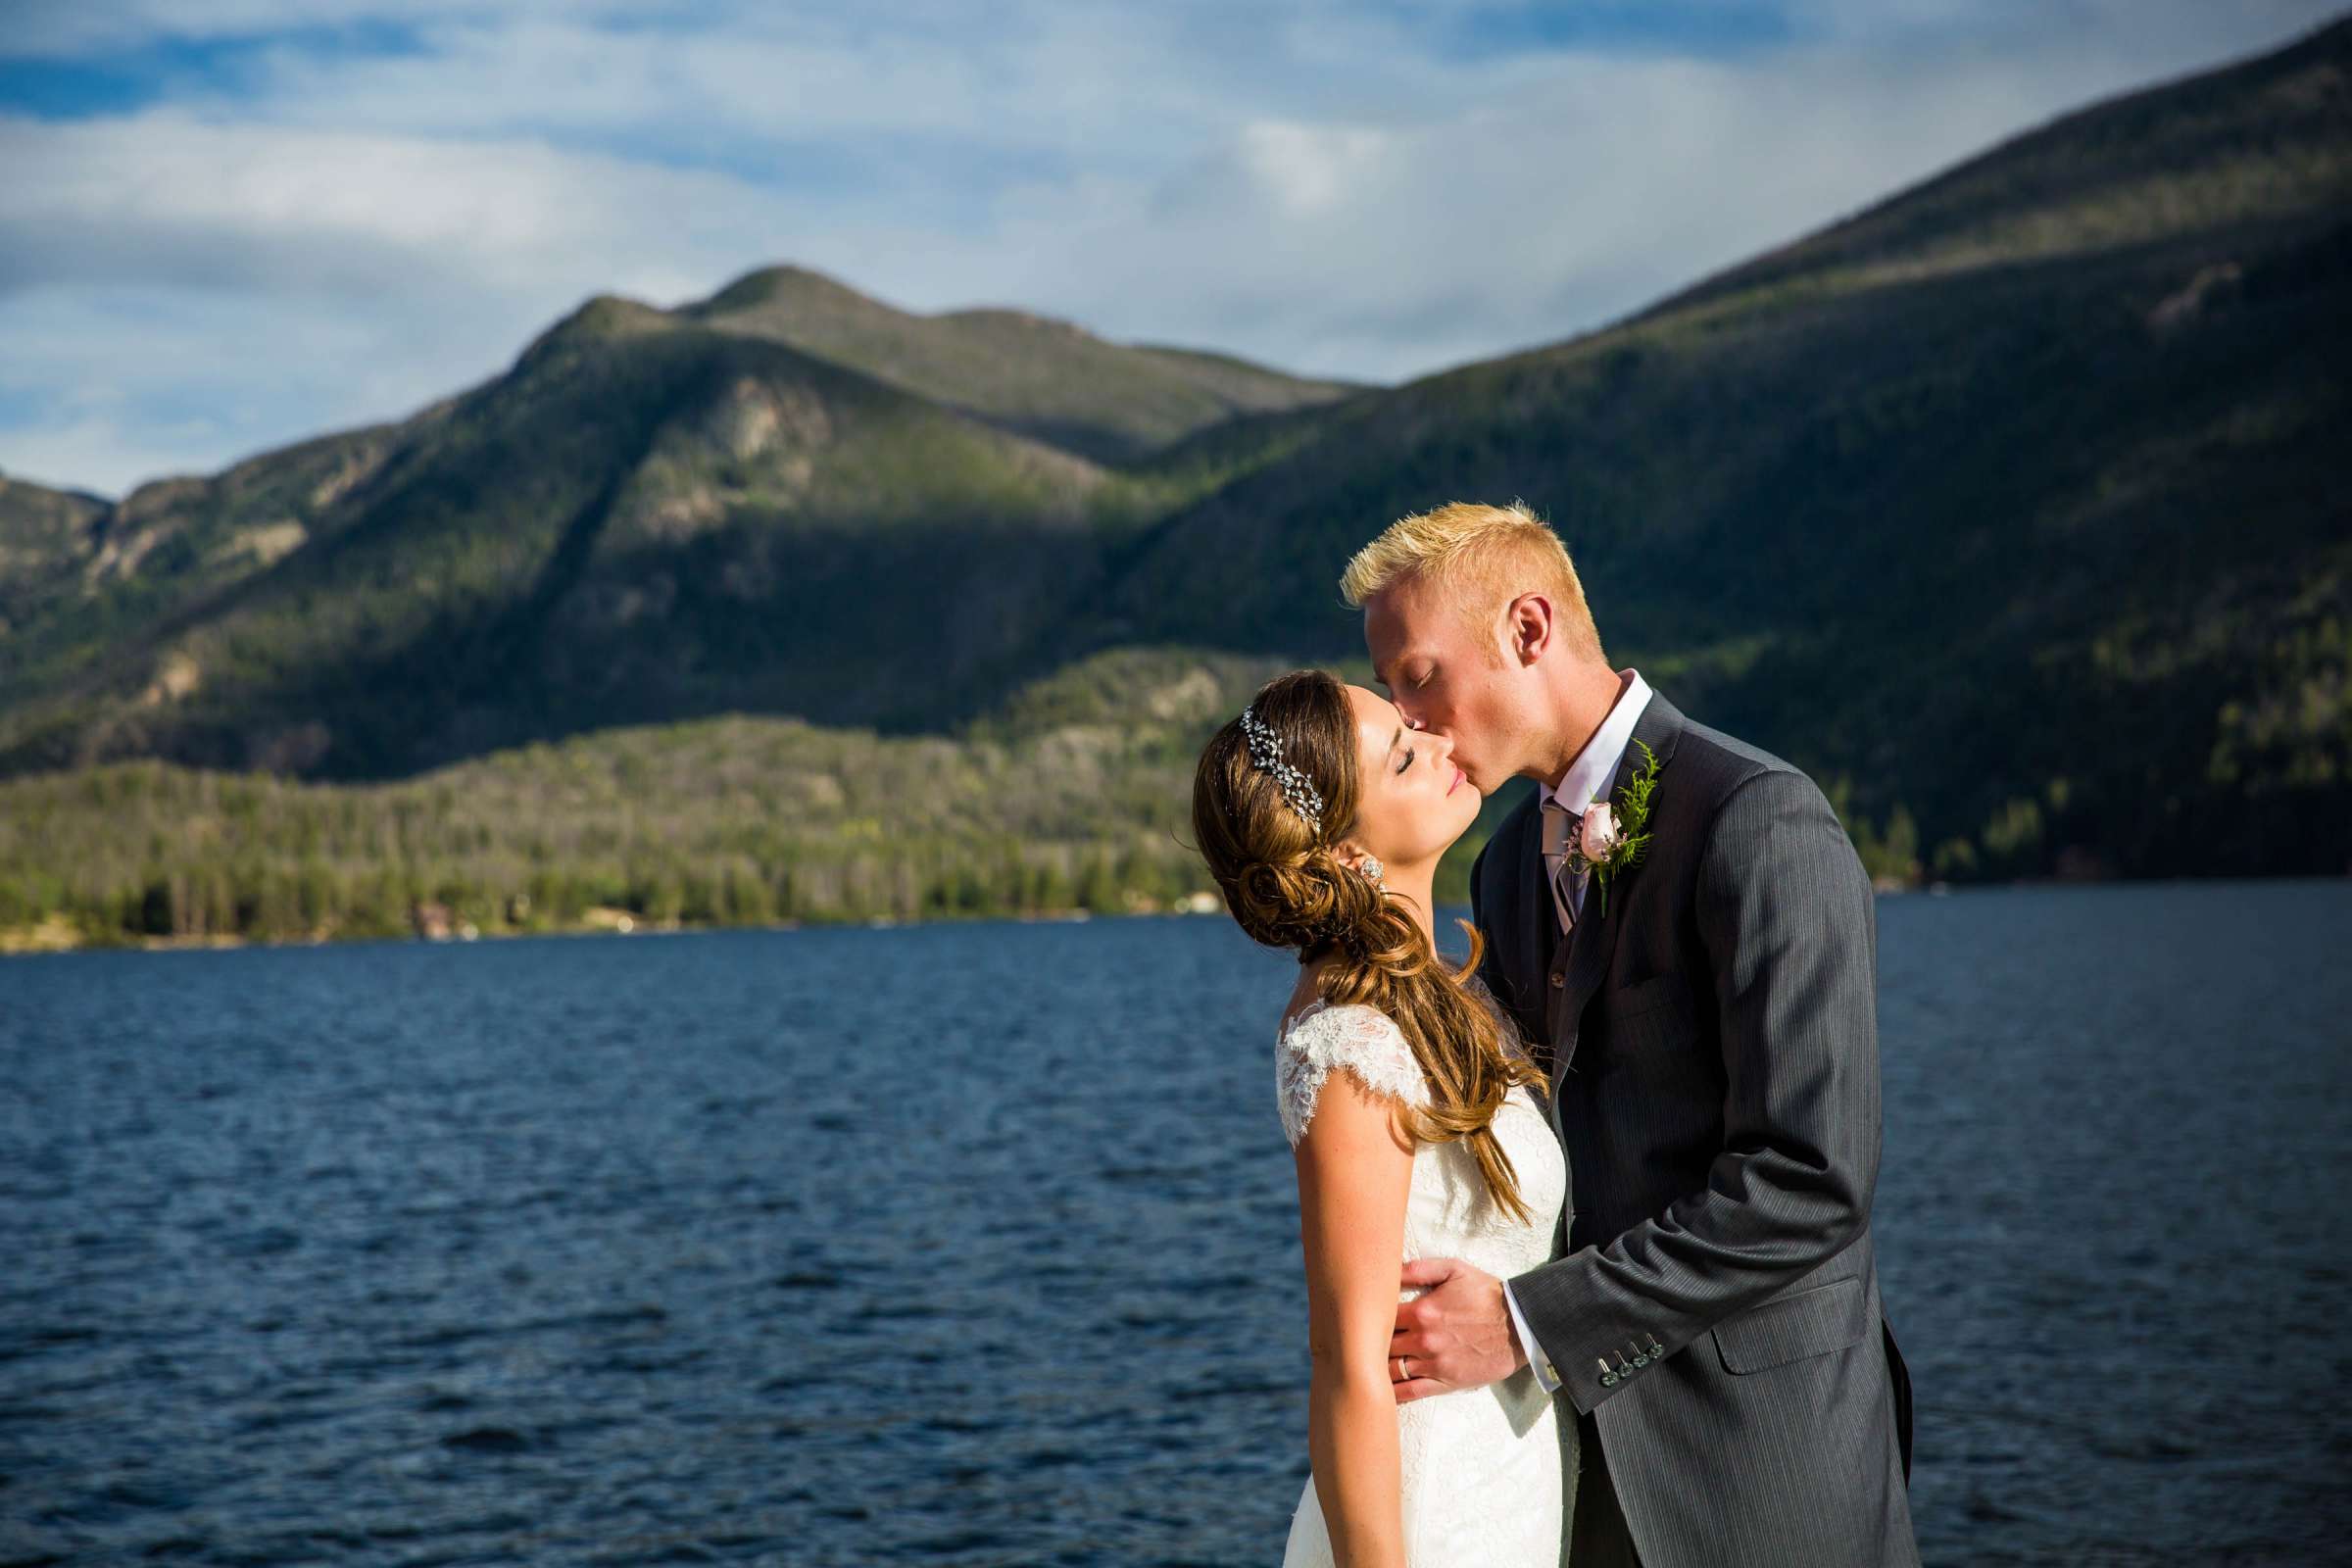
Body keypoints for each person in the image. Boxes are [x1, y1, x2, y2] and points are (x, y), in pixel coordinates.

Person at [1344, 501, 1918, 1568]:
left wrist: (1525, 1325)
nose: (1408, 720)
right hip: (1574, 1480)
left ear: (1528, 628)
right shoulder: (1508, 867)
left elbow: (1811, 1178)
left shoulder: (1759, 821)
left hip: (1765, 1469)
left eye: (1418, 675)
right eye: (1389, 692)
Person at [1192, 668, 1573, 1567]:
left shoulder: (1447, 994)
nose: (1441, 743)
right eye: (1406, 755)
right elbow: (1346, 1367)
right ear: (1345, 855)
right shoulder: (1352, 1044)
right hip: (1438, 1514)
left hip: (1514, 1484)